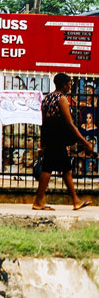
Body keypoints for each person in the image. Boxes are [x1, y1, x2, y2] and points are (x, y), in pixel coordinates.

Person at [34, 72, 95, 211]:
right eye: (69, 83)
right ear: (63, 84)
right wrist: (85, 143)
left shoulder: (47, 99)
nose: (70, 86)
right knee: (50, 168)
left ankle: (75, 200)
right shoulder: (62, 99)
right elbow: (70, 124)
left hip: (50, 138)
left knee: (64, 169)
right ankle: (39, 201)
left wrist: (42, 144)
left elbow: (43, 123)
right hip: (57, 139)